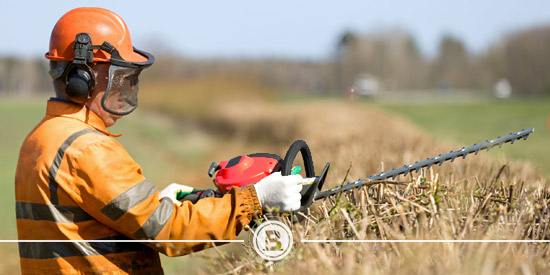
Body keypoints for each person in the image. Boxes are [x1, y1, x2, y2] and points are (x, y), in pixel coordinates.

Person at [14, 7, 303, 274]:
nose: (125, 86)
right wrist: (257, 199)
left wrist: (155, 203)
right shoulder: (87, 148)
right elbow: (171, 231)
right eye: (119, 75)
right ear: (82, 78)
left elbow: (84, 223)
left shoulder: (40, 138)